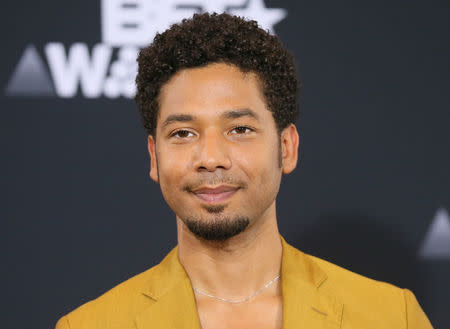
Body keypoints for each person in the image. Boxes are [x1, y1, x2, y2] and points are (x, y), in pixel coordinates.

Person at [55, 12, 433, 329]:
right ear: (154, 156)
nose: (211, 157)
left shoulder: (389, 316)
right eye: (183, 133)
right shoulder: (92, 324)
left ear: (286, 147)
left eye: (240, 129)